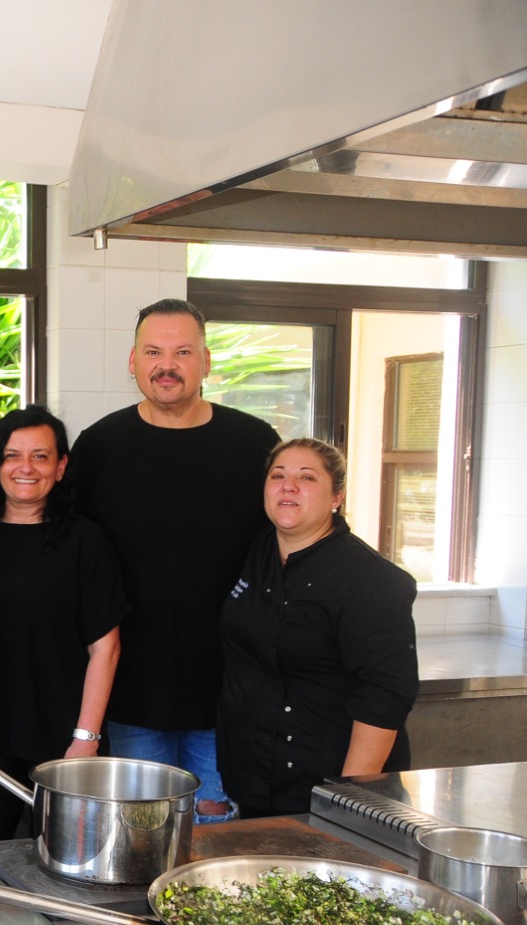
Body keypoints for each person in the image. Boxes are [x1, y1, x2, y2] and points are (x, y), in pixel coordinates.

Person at [67, 298, 279, 822]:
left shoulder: (255, 444)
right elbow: (56, 543)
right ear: (132, 361)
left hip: (229, 692)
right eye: (154, 351)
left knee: (216, 838)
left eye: (183, 351)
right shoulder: (100, 447)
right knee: (143, 837)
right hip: (132, 691)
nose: (168, 365)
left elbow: (299, 541)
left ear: (206, 362)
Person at [0, 405, 125, 842]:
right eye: (12, 455)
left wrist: (85, 739)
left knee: (71, 872)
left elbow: (106, 649)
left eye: (40, 456)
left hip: (64, 737)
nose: (26, 467)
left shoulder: (85, 541)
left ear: (61, 467)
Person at [217, 438, 418, 817]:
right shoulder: (258, 551)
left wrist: (350, 801)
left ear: (336, 497)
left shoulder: (370, 579)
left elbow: (386, 695)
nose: (288, 486)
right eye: (278, 475)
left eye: (307, 477)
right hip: (255, 776)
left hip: (329, 785)